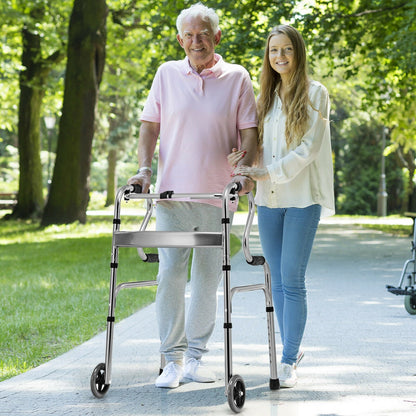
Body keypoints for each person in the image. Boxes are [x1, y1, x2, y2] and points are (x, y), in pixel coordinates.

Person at [127, 3, 258, 389]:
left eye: (203, 33)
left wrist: (245, 168)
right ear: (180, 38)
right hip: (171, 197)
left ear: (217, 36)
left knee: (206, 278)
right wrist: (144, 170)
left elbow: (248, 130)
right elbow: (150, 127)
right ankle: (172, 360)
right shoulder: (167, 74)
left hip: (218, 198)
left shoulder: (237, 77)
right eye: (188, 35)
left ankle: (197, 358)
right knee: (169, 274)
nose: (195, 41)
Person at [230, 25, 335, 388]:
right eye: (274, 51)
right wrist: (243, 156)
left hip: (303, 199)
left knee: (292, 279)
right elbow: (258, 145)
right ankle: (291, 348)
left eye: (287, 50)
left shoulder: (316, 94)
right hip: (269, 201)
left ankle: (288, 360)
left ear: (298, 52)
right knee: (274, 280)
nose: (280, 57)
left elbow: (307, 150)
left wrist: (266, 171)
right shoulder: (266, 98)